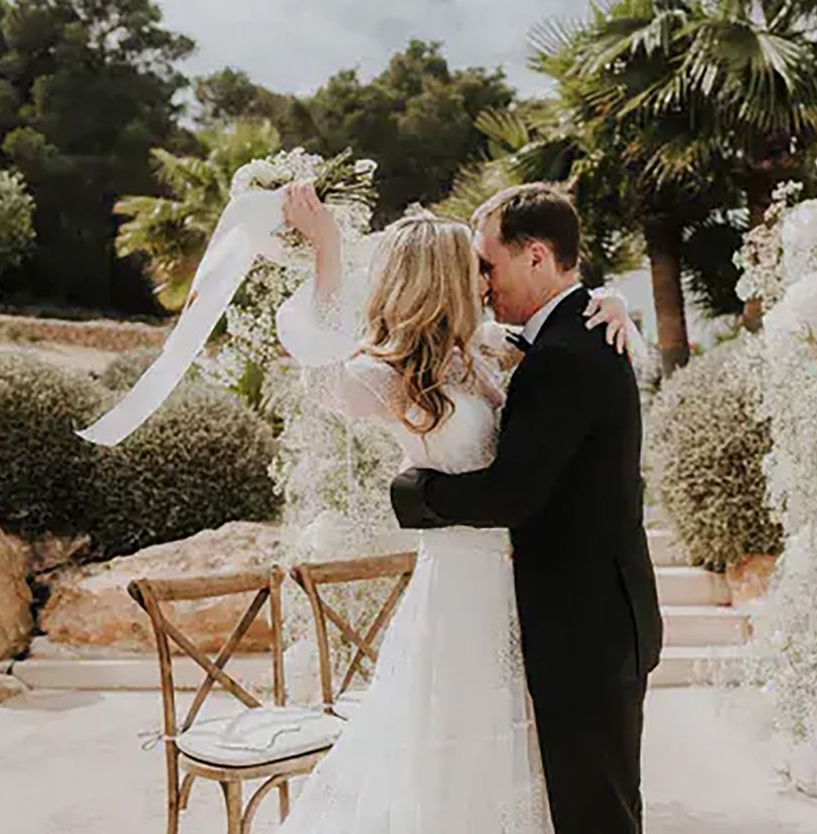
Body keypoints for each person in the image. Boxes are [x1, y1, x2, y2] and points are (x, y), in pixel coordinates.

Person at [276, 182, 637, 834]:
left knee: (524, 758)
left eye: (486, 265)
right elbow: (325, 378)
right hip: (459, 587)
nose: (484, 278)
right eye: (473, 268)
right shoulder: (392, 374)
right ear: (442, 278)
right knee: (455, 755)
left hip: (521, 588)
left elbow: (560, 335)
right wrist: (326, 250)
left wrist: (608, 301)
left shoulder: (482, 352)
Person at [391, 184, 662, 834]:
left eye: (488, 264)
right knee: (597, 802)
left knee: (595, 813)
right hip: (599, 619)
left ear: (536, 256)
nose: (481, 284)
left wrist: (415, 494)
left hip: (583, 632)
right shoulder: (574, 332)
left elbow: (511, 493)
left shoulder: (566, 355)